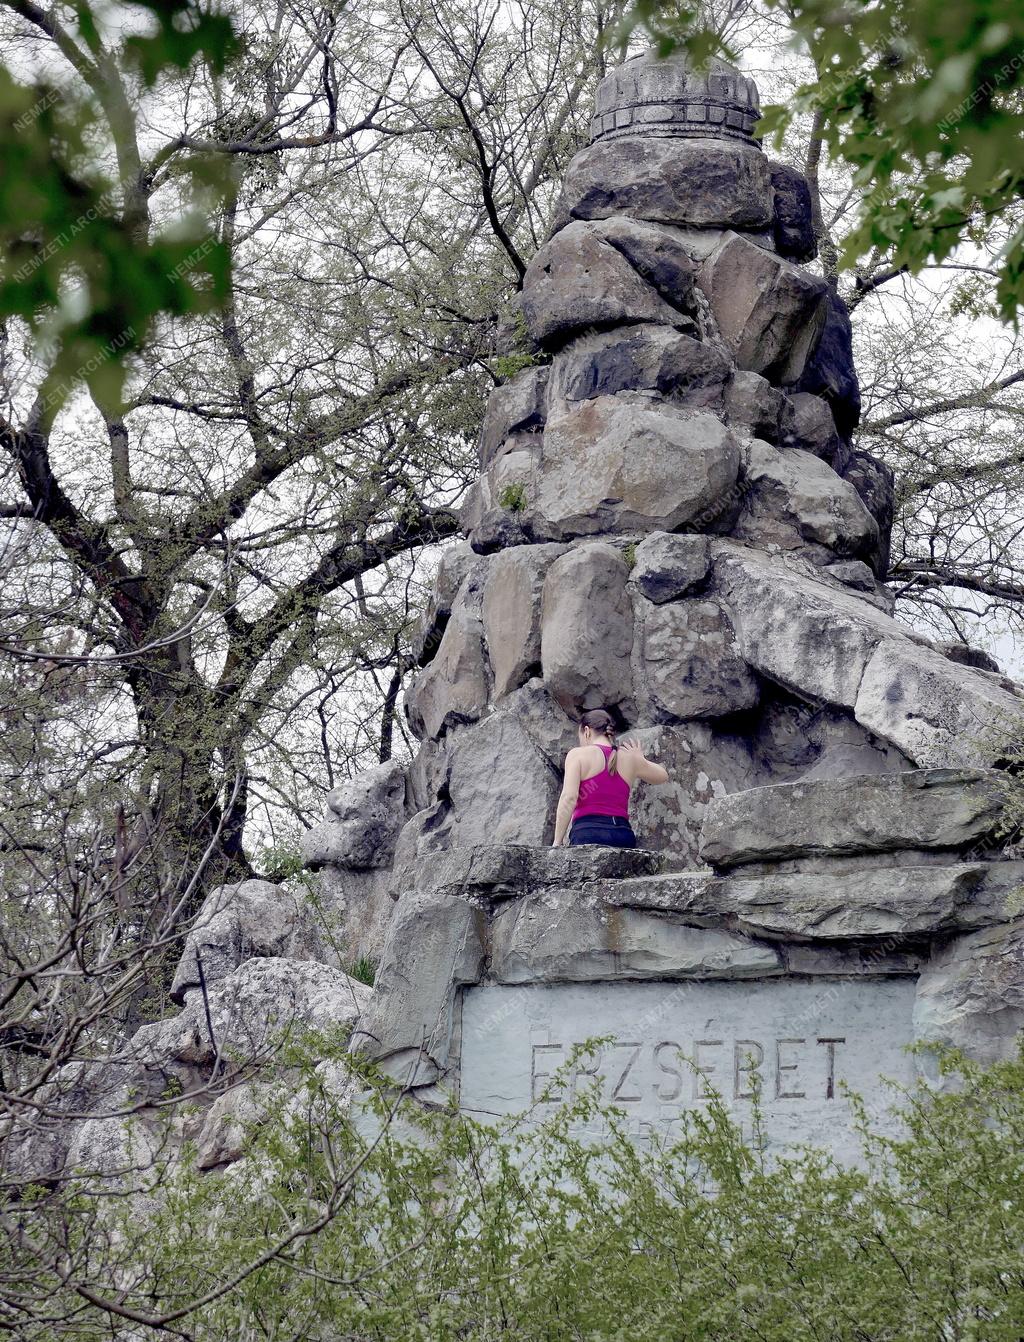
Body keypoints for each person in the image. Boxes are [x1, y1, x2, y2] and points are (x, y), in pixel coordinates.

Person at [552, 708, 669, 848]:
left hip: (588, 832)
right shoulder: (630, 759)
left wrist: (557, 842)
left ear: (587, 731)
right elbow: (663, 776)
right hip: (623, 835)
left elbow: (569, 798)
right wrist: (641, 760)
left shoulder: (578, 755)